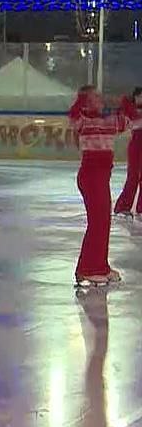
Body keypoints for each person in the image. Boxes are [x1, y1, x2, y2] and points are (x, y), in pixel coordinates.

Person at [68, 85, 139, 287]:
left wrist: (124, 101)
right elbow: (73, 115)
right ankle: (88, 269)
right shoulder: (83, 121)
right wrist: (82, 99)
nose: (101, 99)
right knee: (97, 223)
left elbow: (133, 118)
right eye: (96, 97)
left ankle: (100, 266)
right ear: (86, 101)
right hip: (90, 177)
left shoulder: (109, 122)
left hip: (101, 178)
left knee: (103, 223)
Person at [113, 86, 142, 217]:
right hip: (136, 145)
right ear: (135, 97)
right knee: (133, 176)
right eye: (139, 96)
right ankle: (123, 206)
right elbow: (124, 124)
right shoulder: (130, 110)